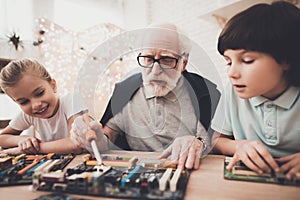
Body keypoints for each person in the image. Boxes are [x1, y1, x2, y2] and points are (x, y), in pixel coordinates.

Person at [72, 23, 220, 170]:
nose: (155, 70)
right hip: (135, 173)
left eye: (167, 60)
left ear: (184, 62)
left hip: (188, 170)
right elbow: (108, 137)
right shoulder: (124, 91)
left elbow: (218, 143)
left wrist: (197, 142)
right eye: (149, 58)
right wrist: (95, 139)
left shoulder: (206, 93)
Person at [211, 1, 300, 180]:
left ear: (286, 60)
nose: (231, 73)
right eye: (228, 62)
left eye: (247, 60)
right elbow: (214, 140)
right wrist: (237, 146)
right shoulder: (232, 92)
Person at [0, 58, 87, 154]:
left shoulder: (72, 100)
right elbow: (2, 138)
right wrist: (21, 140)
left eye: (39, 93)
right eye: (24, 102)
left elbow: (76, 143)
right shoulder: (28, 115)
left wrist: (33, 149)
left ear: (53, 85)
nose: (36, 105)